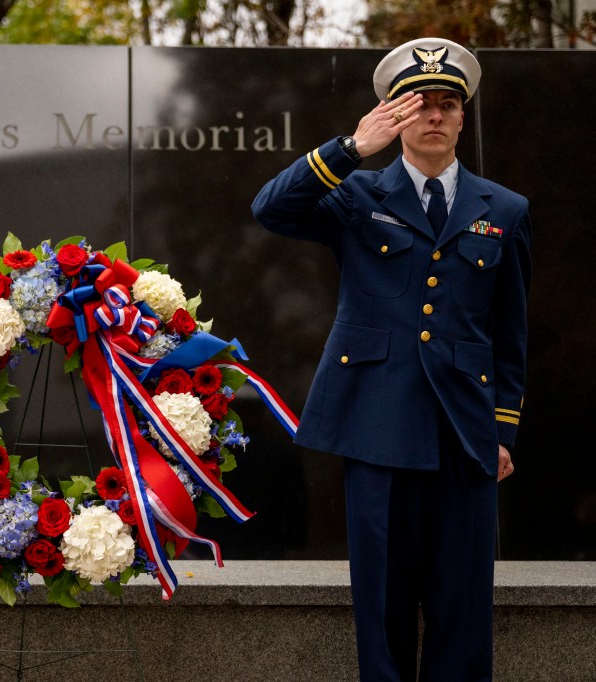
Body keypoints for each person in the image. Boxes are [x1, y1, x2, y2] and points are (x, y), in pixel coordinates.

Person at [251, 38, 531, 681]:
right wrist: (350, 148)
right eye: (418, 105)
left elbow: (509, 331)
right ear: (394, 116)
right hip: (376, 426)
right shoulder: (356, 195)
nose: (433, 115)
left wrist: (504, 428)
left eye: (446, 104)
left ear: (462, 118)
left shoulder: (504, 210)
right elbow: (270, 208)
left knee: (463, 609)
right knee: (382, 606)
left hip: (465, 434)